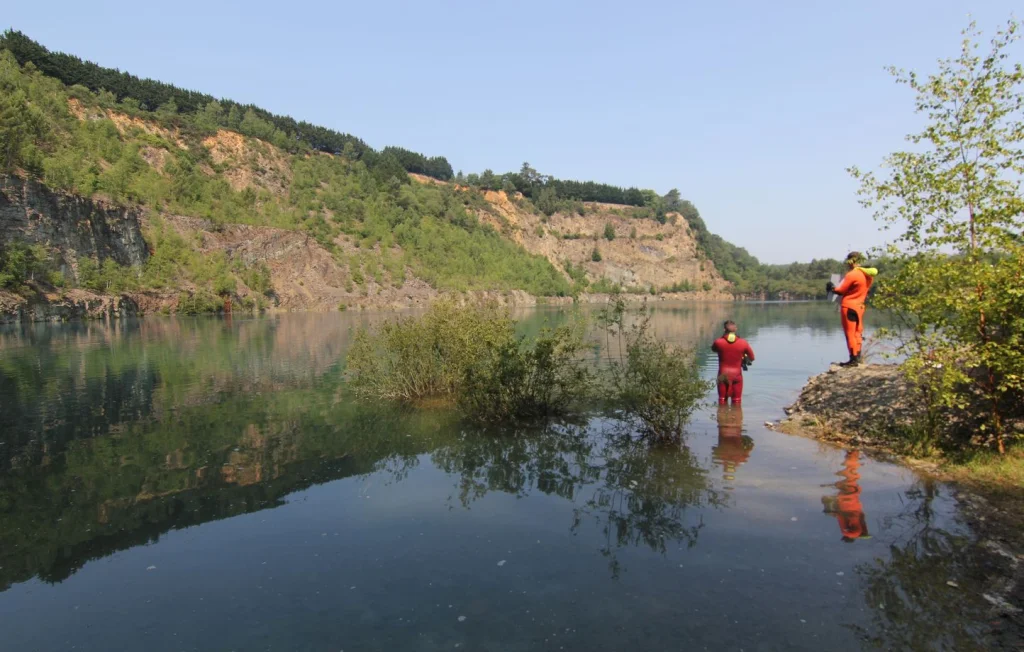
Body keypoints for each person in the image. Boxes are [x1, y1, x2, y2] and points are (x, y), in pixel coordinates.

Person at [826, 252, 878, 367]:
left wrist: (831, 288)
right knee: (858, 333)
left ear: (851, 261)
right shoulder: (868, 276)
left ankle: (853, 359)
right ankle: (858, 357)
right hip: (860, 306)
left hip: (848, 306)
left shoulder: (852, 274)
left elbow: (841, 290)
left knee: (850, 333)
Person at [820, 450, 871, 542]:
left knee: (852, 479)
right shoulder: (847, 533)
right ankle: (852, 453)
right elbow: (842, 518)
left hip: (855, 504)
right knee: (849, 477)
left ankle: (854, 455)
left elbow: (860, 516)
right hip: (845, 503)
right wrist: (835, 513)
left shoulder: (859, 529)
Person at [711, 320, 755, 405]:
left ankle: (722, 417)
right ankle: (736, 417)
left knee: (722, 400)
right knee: (737, 401)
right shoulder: (743, 343)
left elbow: (714, 349)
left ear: (724, 329)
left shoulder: (718, 342)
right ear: (736, 329)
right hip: (737, 375)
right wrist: (743, 357)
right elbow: (752, 358)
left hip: (722, 375)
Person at [713, 404, 754, 488]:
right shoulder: (740, 458)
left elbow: (714, 449)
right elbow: (751, 445)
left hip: (727, 426)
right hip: (729, 425)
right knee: (736, 401)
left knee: (722, 401)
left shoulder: (722, 458)